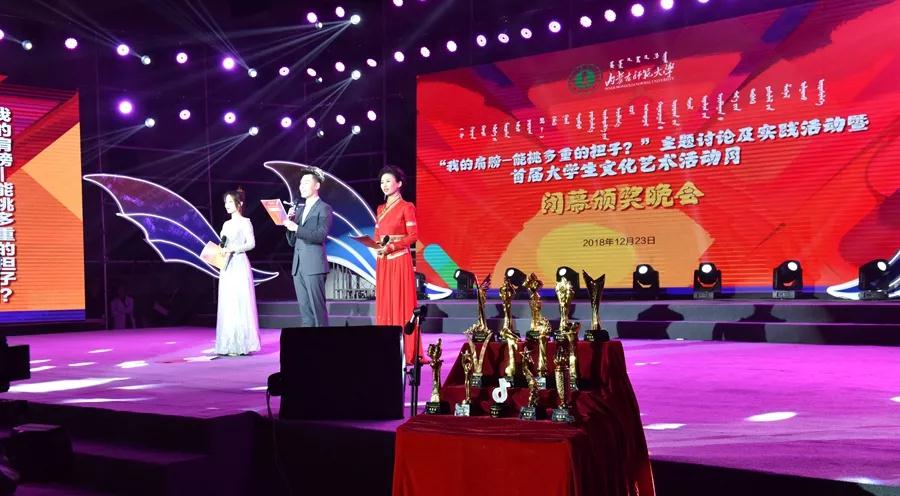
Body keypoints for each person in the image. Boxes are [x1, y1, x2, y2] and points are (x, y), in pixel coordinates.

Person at [374, 165, 423, 365]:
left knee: (401, 302)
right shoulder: (380, 209)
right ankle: (387, 347)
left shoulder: (406, 207)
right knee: (385, 302)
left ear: (399, 183)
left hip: (399, 259)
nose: (384, 185)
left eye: (388, 181)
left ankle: (407, 349)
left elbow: (413, 236)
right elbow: (378, 235)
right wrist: (376, 245)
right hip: (383, 261)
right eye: (382, 182)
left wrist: (392, 246)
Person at [284, 169, 332, 327]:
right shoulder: (299, 210)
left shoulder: (324, 208)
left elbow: (320, 236)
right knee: (305, 313)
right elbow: (292, 242)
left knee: (318, 311)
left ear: (317, 186)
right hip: (298, 267)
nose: (301, 186)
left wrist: (296, 228)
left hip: (314, 266)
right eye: (300, 183)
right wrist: (289, 223)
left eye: (306, 183)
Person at [215, 188, 261, 355]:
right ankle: (228, 344)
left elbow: (251, 243)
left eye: (230, 202)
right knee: (228, 302)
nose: (226, 205)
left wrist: (234, 249)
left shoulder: (245, 222)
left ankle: (243, 345)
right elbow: (223, 243)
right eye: (225, 202)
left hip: (240, 263)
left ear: (239, 203)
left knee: (240, 302)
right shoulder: (226, 224)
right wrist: (221, 249)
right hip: (227, 265)